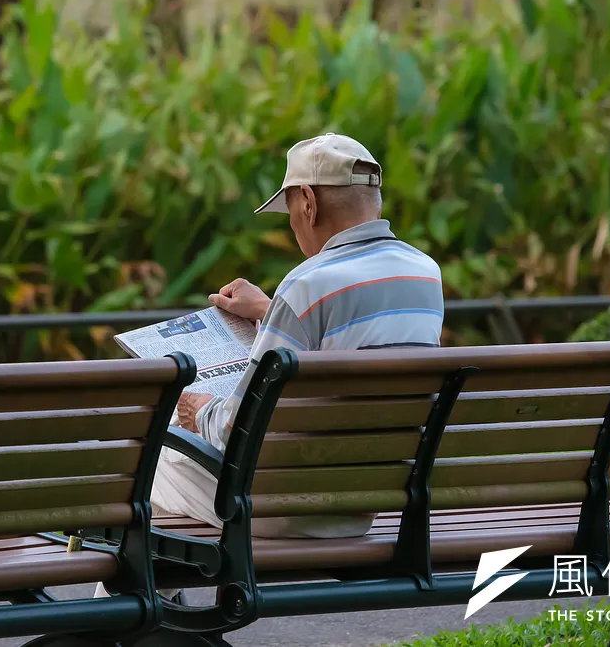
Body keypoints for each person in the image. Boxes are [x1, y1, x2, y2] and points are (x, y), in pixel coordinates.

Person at [95, 132, 444, 601]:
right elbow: (351, 353)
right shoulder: (423, 273)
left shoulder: (306, 283)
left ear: (307, 201)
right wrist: (269, 311)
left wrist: (199, 409)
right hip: (365, 502)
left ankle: (134, 625)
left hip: (281, 508)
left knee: (136, 466)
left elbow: (237, 426)